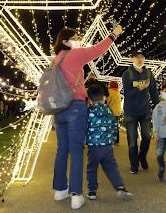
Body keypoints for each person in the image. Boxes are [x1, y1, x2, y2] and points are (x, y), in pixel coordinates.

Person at [52, 24, 123, 210]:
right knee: (76, 151)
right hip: (75, 106)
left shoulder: (56, 59)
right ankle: (76, 194)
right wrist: (113, 35)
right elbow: (98, 49)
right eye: (75, 37)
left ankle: (59, 190)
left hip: (58, 109)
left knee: (62, 150)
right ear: (65, 41)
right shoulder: (74, 54)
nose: (78, 39)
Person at [86, 84, 133, 201]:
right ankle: (120, 187)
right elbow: (113, 126)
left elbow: (84, 127)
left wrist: (83, 141)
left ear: (90, 100)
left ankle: (92, 191)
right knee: (111, 167)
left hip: (93, 147)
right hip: (107, 146)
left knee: (92, 168)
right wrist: (112, 140)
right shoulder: (108, 110)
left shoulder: (88, 112)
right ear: (104, 98)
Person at [122, 49, 159, 174]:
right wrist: (139, 88)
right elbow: (127, 94)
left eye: (142, 57)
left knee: (147, 137)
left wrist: (158, 106)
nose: (140, 59)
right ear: (132, 59)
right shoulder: (127, 74)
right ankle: (134, 164)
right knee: (132, 141)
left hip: (145, 111)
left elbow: (153, 91)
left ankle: (142, 157)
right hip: (130, 112)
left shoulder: (148, 73)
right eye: (137, 57)